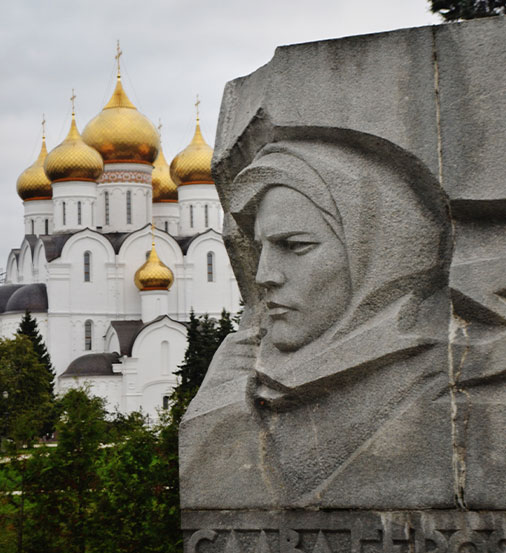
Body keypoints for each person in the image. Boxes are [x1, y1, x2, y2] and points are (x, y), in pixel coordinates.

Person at [181, 133, 454, 509]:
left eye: (294, 246)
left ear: (372, 253)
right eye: (262, 249)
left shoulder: (442, 388)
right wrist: (221, 403)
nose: (264, 276)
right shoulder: (256, 386)